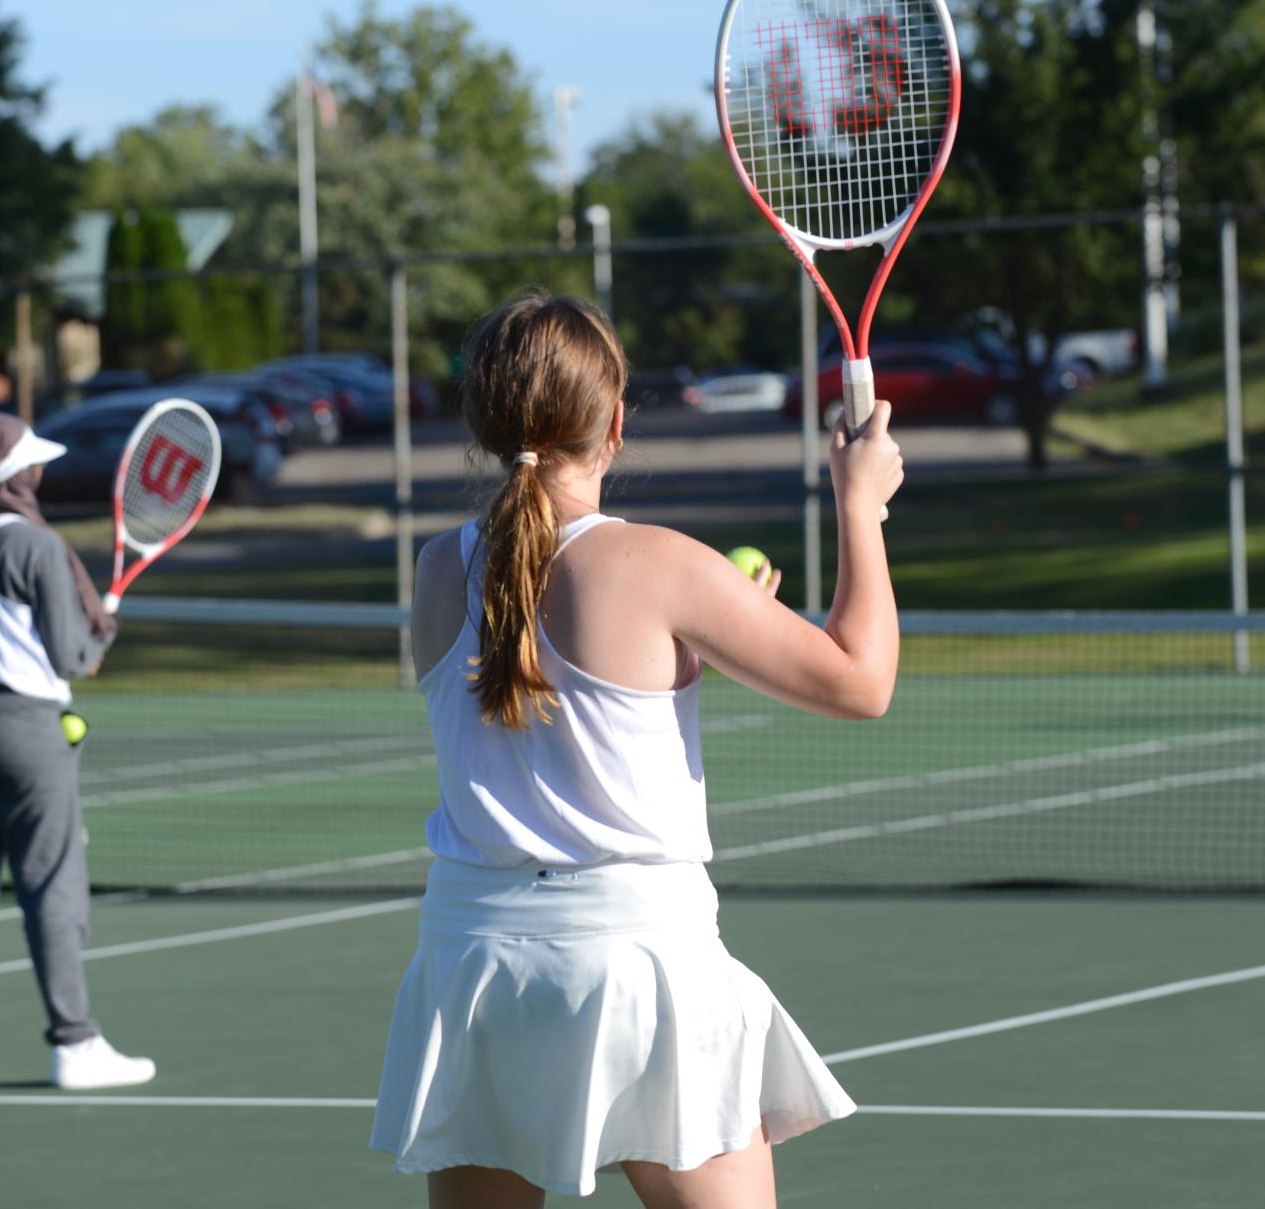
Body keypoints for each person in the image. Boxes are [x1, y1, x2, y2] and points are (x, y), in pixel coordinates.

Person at [370, 294, 904, 1206]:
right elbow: (861, 682)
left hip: (472, 961)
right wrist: (860, 504)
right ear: (615, 422)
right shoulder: (655, 563)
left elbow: (553, 701)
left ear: (486, 424)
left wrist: (681, 651)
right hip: (636, 960)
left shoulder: (432, 570)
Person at [0, 413, 155, 1090]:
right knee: (52, 884)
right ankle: (75, 1044)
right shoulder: (36, 546)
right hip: (20, 726)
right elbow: (70, 655)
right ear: (16, 475)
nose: (40, 472)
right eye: (33, 463)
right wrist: (99, 638)